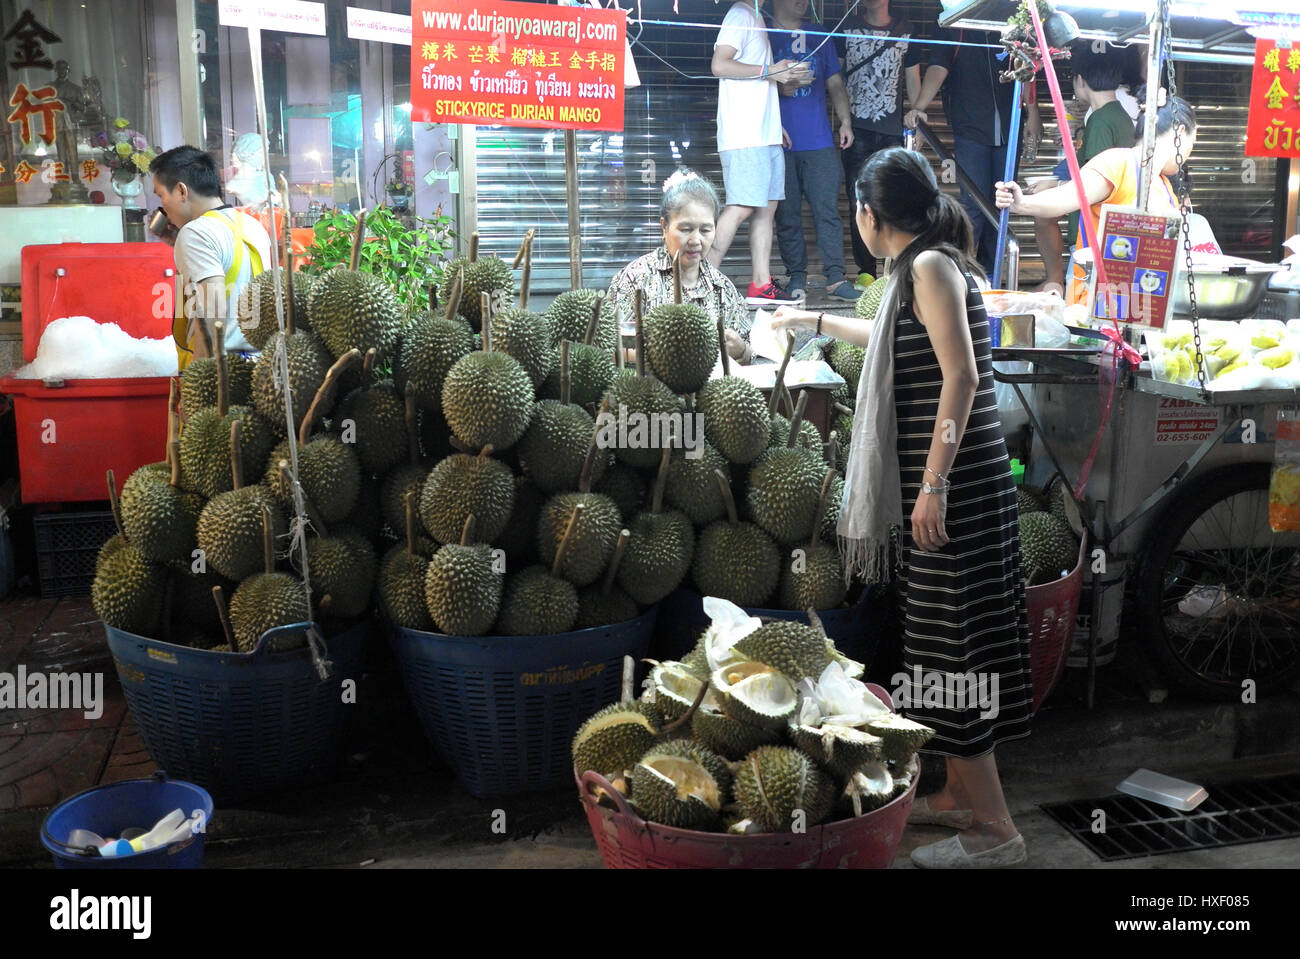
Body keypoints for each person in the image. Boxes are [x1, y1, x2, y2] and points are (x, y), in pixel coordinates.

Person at [771, 147, 1033, 868]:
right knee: (936, 638)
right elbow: (893, 336)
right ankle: (955, 790)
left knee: (957, 646)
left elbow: (962, 375)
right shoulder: (916, 269)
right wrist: (813, 319)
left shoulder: (930, 267)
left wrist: (933, 485)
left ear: (866, 213)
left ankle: (997, 830)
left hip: (960, 488)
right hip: (947, 482)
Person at [995, 93, 1197, 305]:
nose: (1190, 153)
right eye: (1193, 142)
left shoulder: (1165, 184)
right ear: (1180, 132)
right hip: (1099, 306)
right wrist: (1022, 203)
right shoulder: (1119, 163)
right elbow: (1069, 196)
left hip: (1144, 305)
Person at [906, 29, 1033, 275]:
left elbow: (1027, 70)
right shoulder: (959, 26)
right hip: (970, 130)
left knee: (1001, 208)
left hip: (1011, 129)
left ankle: (990, 276)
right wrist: (919, 107)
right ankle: (962, 275)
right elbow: (937, 68)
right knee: (973, 206)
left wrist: (1034, 113)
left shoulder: (1011, 26)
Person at [708, 0, 810, 305]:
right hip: (744, 134)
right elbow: (719, 64)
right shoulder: (739, 14)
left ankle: (761, 285)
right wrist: (771, 71)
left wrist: (774, 125)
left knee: (767, 207)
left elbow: (757, 83)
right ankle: (699, 283)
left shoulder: (755, 17)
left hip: (763, 132)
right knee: (741, 206)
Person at [606, 171, 755, 364]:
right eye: (685, 229)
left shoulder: (722, 288)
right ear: (664, 227)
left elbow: (750, 352)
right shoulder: (635, 278)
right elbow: (607, 347)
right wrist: (666, 360)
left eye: (705, 230)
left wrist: (741, 350)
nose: (696, 240)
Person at [767, 0, 857, 302]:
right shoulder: (762, 32)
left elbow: (835, 83)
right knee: (786, 215)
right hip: (777, 141)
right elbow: (749, 82)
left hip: (819, 141)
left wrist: (845, 121)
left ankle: (835, 278)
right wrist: (778, 87)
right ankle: (796, 276)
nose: (802, 2)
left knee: (828, 213)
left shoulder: (819, 34)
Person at [151, 145, 272, 370]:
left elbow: (211, 311)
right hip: (258, 366)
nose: (163, 206)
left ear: (181, 191)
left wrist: (200, 380)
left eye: (161, 195)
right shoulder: (252, 226)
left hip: (222, 369)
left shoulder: (196, 233)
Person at [1028, 46, 1136, 294]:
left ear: (1080, 81)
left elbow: (1093, 183)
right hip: (1107, 230)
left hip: (1092, 233)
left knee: (1080, 308)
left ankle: (1055, 281)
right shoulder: (1117, 115)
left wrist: (1053, 186)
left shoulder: (1100, 121)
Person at [838, 0, 923, 280]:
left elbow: (913, 80)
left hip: (892, 130)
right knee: (858, 201)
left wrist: (918, 121)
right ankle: (867, 272)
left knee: (894, 198)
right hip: (856, 128)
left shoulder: (905, 30)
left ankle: (895, 267)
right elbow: (834, 79)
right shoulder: (845, 28)